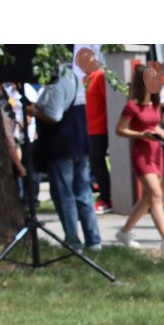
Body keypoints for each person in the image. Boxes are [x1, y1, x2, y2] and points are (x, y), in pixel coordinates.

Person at [34, 49, 103, 252]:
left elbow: (54, 115)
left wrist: (35, 110)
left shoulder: (58, 80)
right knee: (83, 193)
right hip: (80, 144)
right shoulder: (74, 76)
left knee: (65, 195)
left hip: (62, 145)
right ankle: (94, 240)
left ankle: (73, 241)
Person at [114, 66, 164, 252]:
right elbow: (119, 130)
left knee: (147, 198)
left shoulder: (154, 104)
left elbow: (155, 127)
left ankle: (124, 232)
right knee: (156, 195)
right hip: (141, 153)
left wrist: (163, 132)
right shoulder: (132, 106)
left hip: (156, 151)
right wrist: (141, 134)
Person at [85, 64, 111, 214]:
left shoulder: (99, 76)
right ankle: (103, 195)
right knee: (95, 163)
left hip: (99, 128)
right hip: (90, 128)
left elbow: (109, 101)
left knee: (97, 162)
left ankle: (106, 198)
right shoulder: (86, 79)